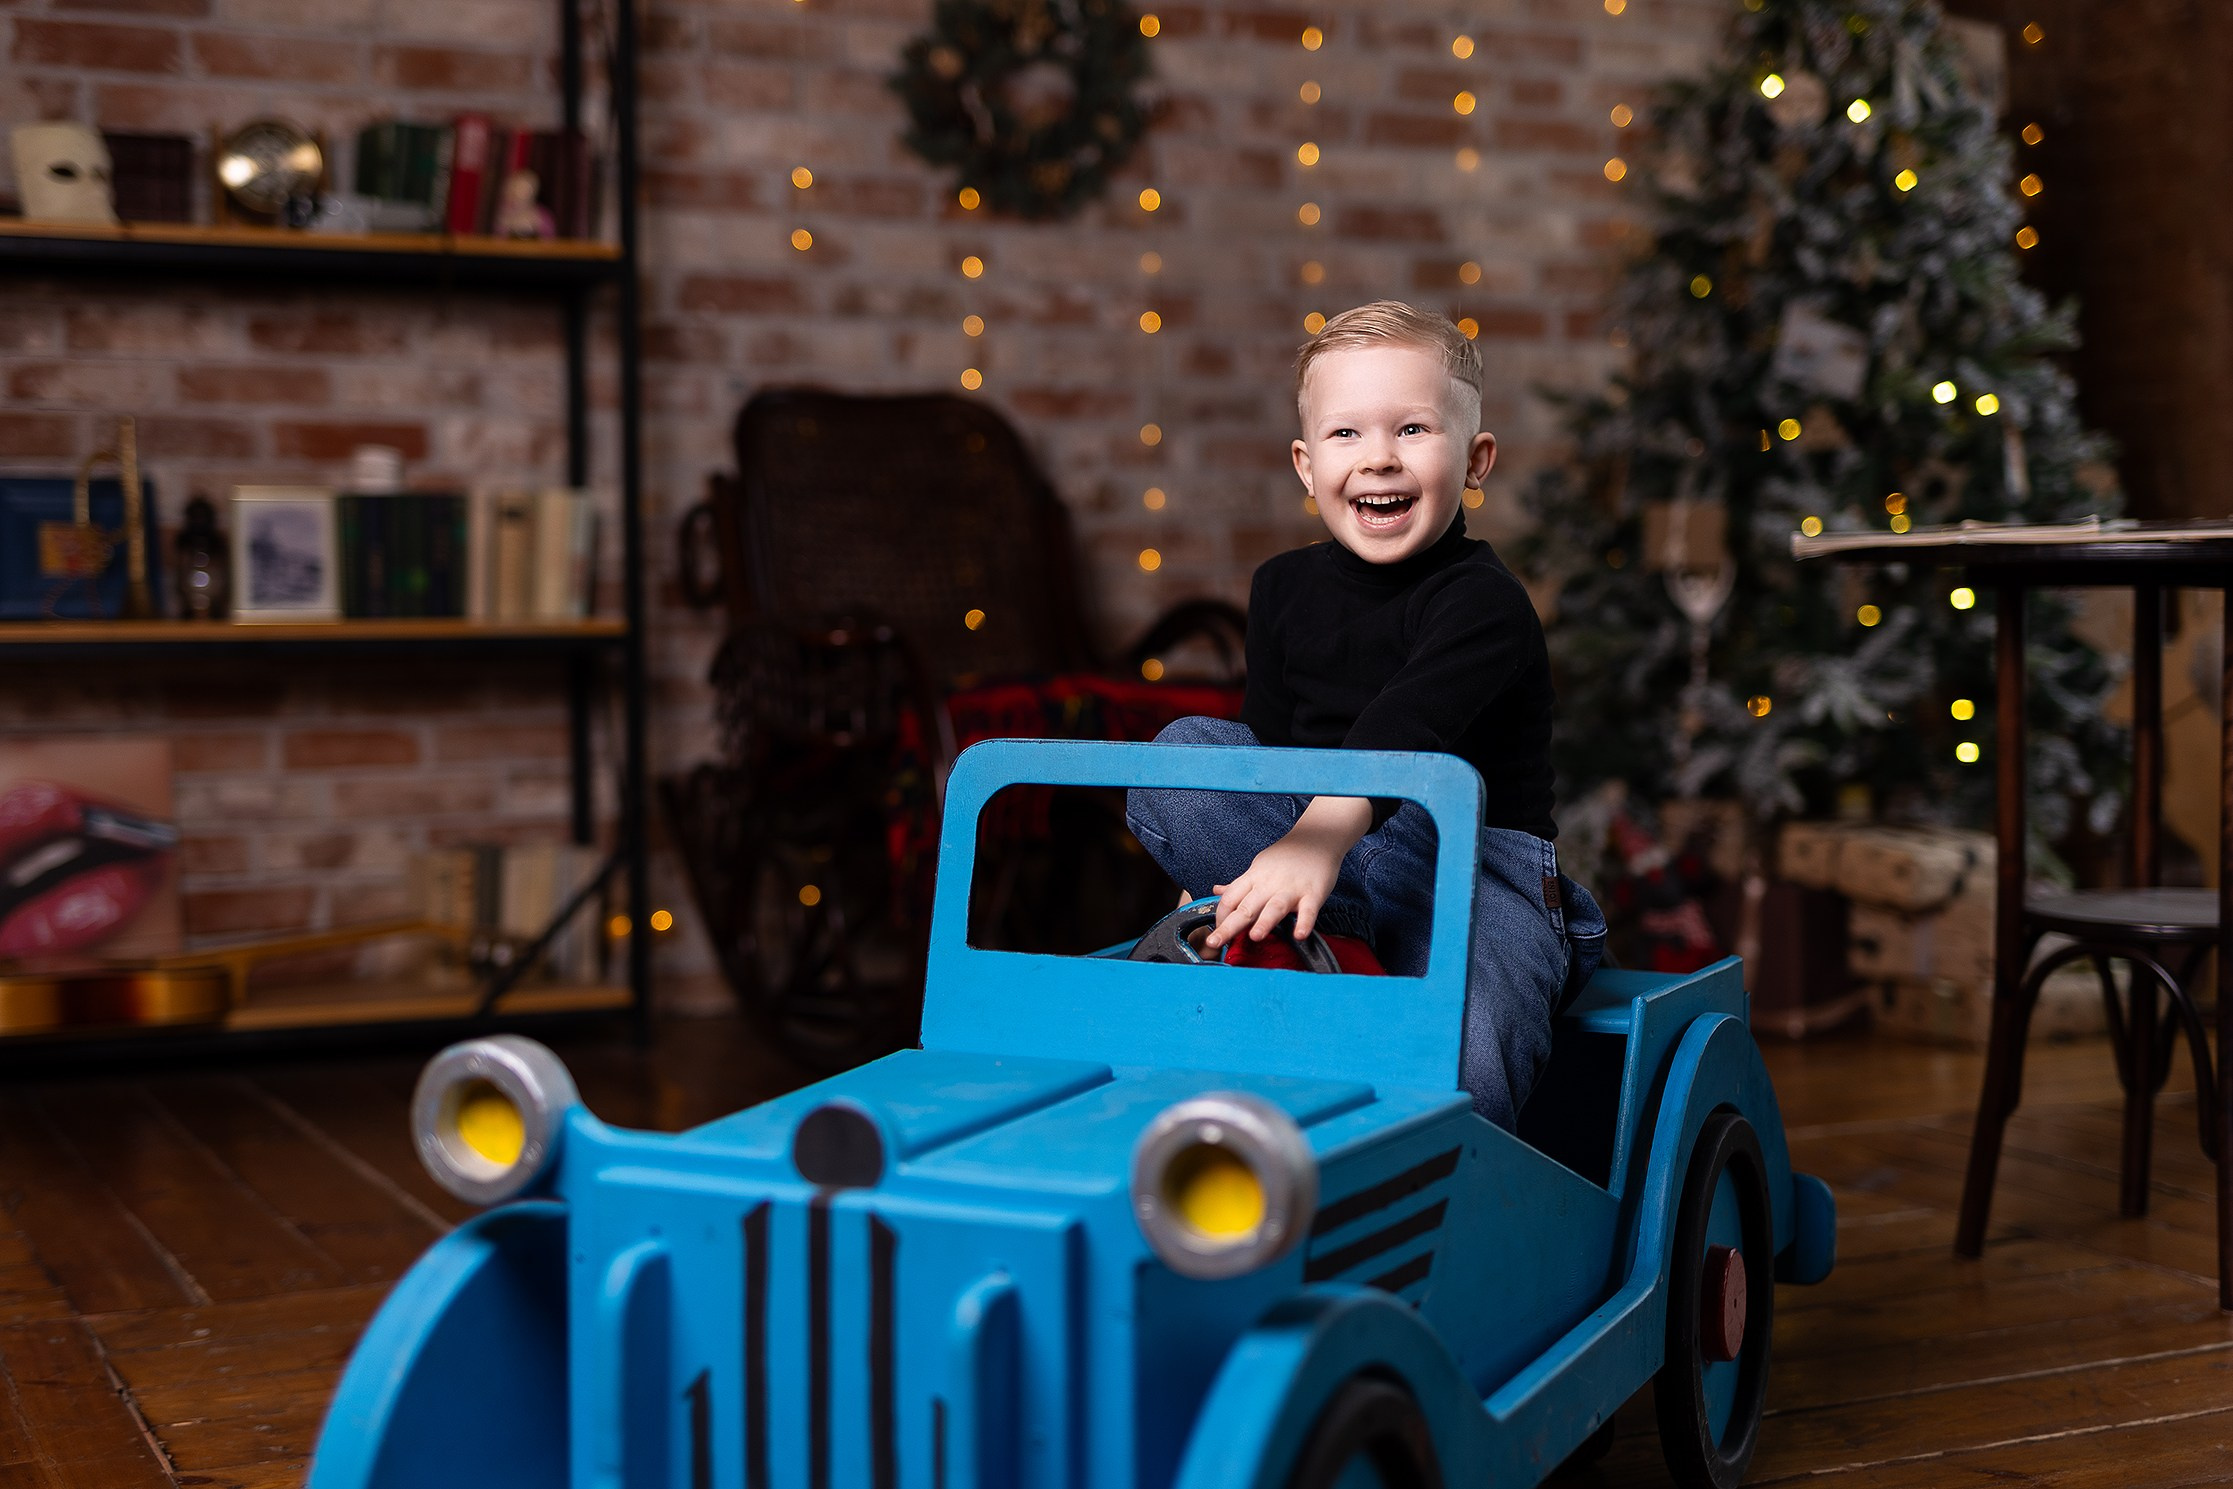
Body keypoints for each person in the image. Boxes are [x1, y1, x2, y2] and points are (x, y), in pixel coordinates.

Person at [1125, 300, 1606, 1129]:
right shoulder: (1281, 587)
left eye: (1412, 429)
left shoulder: (1483, 601)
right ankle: (1324, 939)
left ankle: (1439, 1169)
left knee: (1466, 1050)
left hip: (1468, 866)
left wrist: (1315, 841)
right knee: (1186, 753)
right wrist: (1221, 880)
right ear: (1306, 465)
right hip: (1309, 843)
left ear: (1476, 460)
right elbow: (1260, 755)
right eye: (1346, 433)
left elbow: (1406, 730)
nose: (1378, 457)